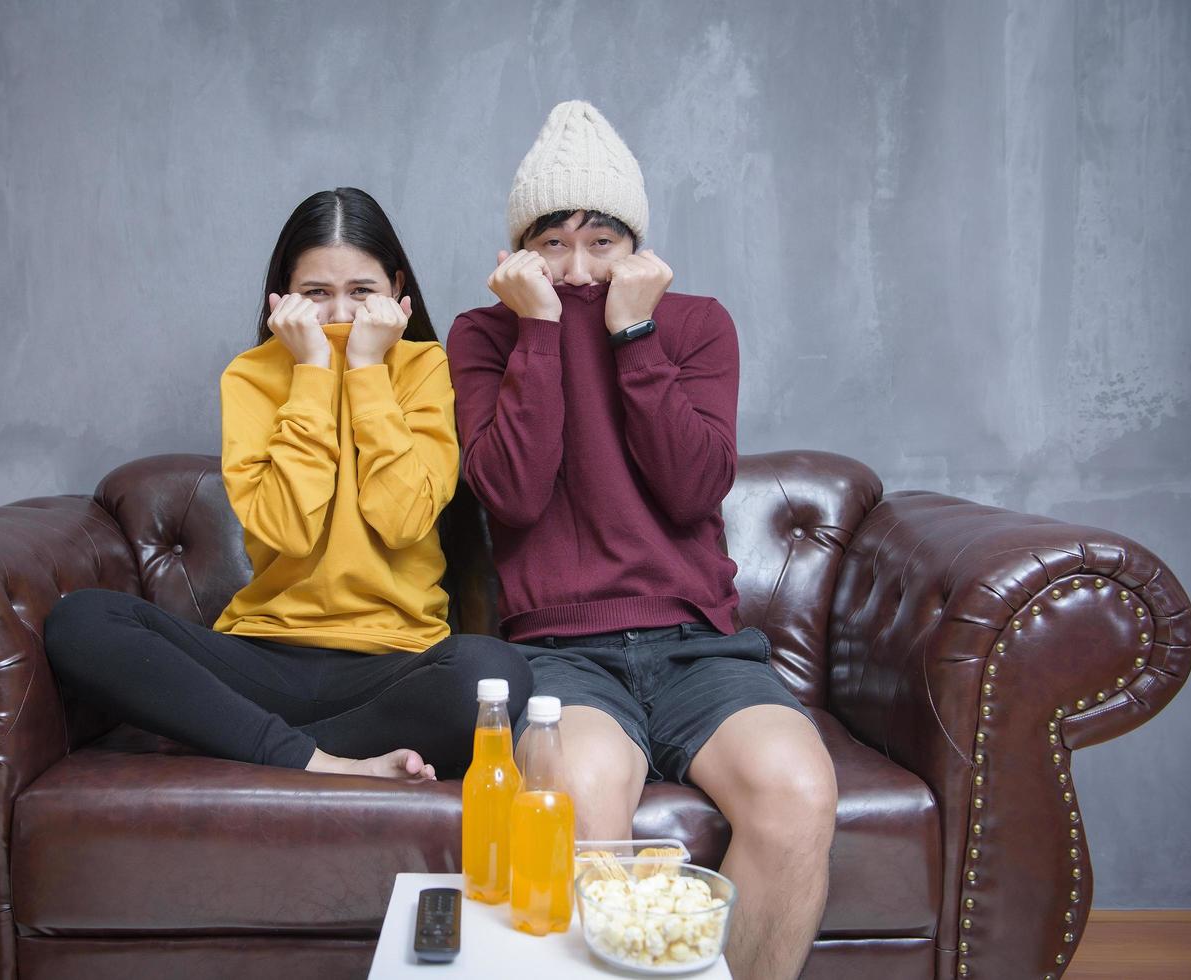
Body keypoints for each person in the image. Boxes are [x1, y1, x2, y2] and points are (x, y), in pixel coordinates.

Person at [447, 103, 836, 979]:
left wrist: (633, 335)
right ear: (518, 250)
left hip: (701, 647)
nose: (577, 269)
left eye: (601, 243)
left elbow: (693, 485)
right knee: (577, 803)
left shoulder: (694, 325)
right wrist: (539, 334)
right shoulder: (483, 335)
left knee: (797, 791)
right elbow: (508, 491)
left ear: (637, 247)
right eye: (551, 243)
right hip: (561, 654)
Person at [46, 187, 531, 780]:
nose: (339, 316)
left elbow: (401, 519)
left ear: (397, 291)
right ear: (282, 299)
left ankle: (242, 739)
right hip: (264, 656)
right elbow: (288, 531)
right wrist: (310, 374)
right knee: (82, 622)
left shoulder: (424, 368)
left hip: (395, 663)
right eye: (316, 295)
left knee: (493, 678)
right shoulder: (252, 376)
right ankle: (316, 759)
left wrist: (368, 372)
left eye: (362, 292)